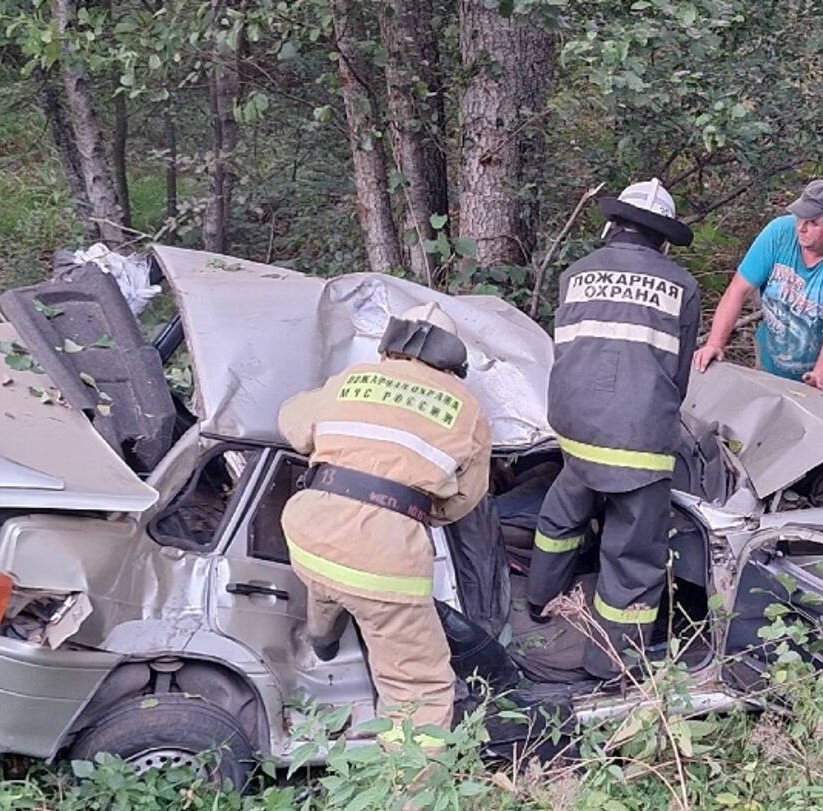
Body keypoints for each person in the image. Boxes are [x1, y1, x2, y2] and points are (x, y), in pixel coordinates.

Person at [278, 302, 492, 746]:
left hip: (309, 531)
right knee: (419, 688)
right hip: (383, 558)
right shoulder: (466, 409)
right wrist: (415, 515)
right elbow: (467, 497)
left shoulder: (352, 379)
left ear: (392, 343)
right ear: (454, 357)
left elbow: (292, 424)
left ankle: (322, 636)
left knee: (330, 579)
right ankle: (409, 799)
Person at [526, 178, 702, 679]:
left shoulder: (575, 274)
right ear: (663, 239)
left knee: (561, 518)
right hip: (639, 441)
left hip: (576, 429)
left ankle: (539, 602)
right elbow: (678, 374)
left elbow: (568, 352)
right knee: (633, 555)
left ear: (612, 225)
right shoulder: (682, 287)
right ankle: (609, 664)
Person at [693, 178, 823, 393]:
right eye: (800, 218)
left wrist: (822, 374)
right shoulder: (779, 232)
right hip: (771, 365)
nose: (802, 227)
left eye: (813, 222)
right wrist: (714, 343)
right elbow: (737, 291)